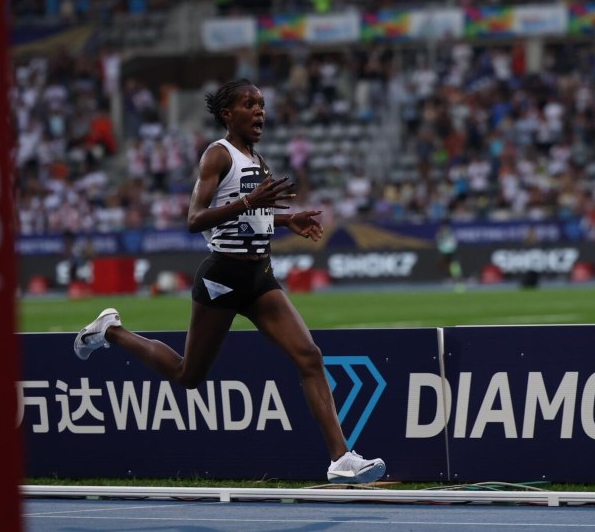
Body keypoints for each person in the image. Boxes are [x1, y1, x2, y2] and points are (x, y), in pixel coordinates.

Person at [73, 79, 386, 484]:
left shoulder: (257, 159)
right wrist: (249, 202)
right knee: (188, 375)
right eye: (249, 104)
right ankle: (111, 331)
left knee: (310, 357)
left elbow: (252, 216)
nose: (259, 111)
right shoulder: (217, 155)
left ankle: (340, 458)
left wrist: (285, 219)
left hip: (259, 277)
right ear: (227, 114)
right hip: (223, 276)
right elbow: (194, 219)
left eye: (261, 104)